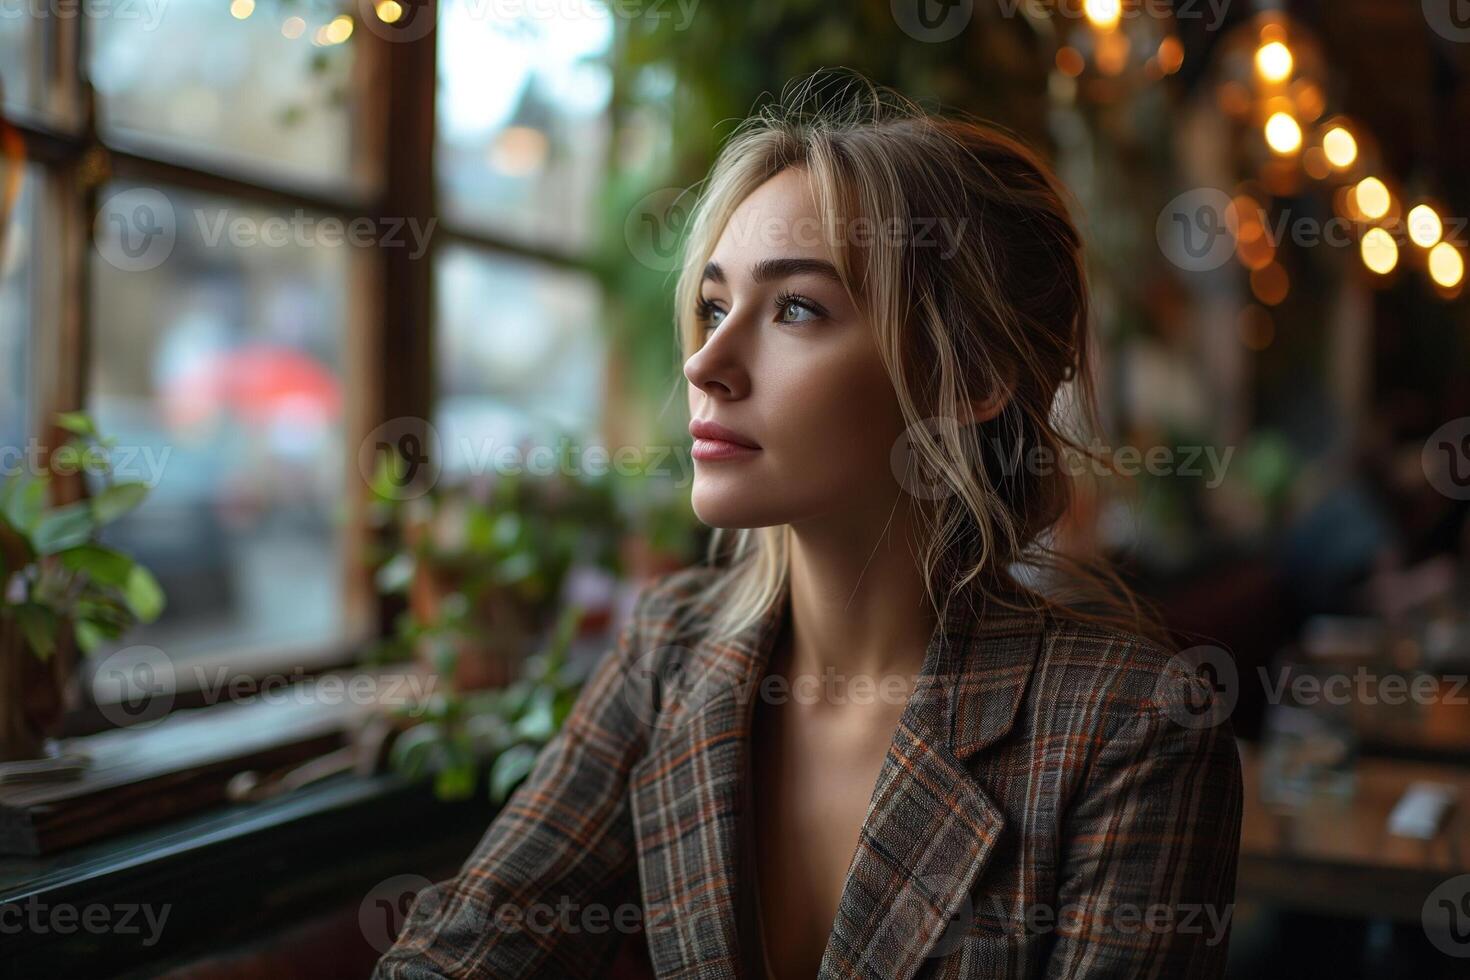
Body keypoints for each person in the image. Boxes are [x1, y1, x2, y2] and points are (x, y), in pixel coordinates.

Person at [373, 69, 1242, 980]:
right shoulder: (672, 655)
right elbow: (463, 950)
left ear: (972, 379)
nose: (707, 362)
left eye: (795, 308)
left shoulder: (1132, 726)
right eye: (713, 305)